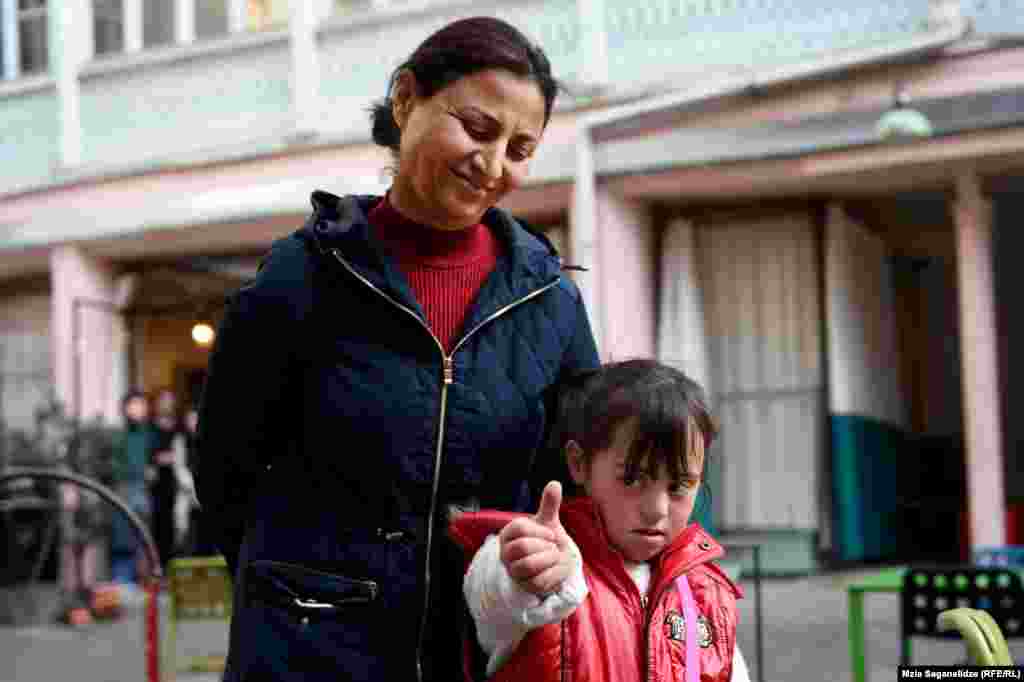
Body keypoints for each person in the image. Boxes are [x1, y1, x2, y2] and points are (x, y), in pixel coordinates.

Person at [194, 16, 599, 682]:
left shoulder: (548, 300)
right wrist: (294, 591)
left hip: (481, 650)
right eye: (477, 128)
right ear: (407, 99)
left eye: (521, 148)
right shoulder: (302, 277)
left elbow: (580, 482)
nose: (493, 165)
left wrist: (554, 557)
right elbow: (224, 469)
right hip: (310, 654)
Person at [451, 359, 745, 681]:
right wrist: (530, 571)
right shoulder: (547, 556)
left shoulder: (706, 591)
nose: (657, 509)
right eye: (633, 479)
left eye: (679, 486)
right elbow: (492, 597)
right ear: (579, 463)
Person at [109, 390, 155, 601]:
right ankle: (123, 579)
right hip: (124, 487)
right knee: (123, 534)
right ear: (126, 408)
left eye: (142, 405)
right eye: (135, 405)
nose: (139, 409)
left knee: (143, 534)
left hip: (143, 489)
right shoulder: (118, 434)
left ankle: (144, 580)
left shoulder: (148, 433)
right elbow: (112, 465)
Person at [150, 388, 183, 570]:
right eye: (163, 400)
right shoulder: (151, 427)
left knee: (175, 527)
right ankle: (158, 567)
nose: (167, 404)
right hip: (156, 484)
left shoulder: (179, 427)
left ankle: (173, 567)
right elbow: (149, 455)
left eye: (170, 400)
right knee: (157, 526)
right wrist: (159, 459)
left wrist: (173, 458)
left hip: (175, 483)